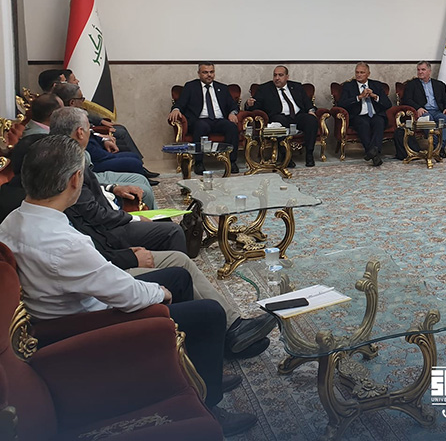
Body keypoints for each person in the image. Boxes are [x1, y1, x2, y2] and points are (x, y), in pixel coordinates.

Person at [0, 135, 259, 436]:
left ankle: (198, 370)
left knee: (179, 276)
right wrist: (159, 293)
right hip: (91, 323)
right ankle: (210, 404)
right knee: (209, 312)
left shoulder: (13, 222)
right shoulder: (64, 243)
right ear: (74, 180)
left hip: (68, 305)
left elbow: (101, 277)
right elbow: (127, 294)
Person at [50, 107, 185, 252]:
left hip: (110, 216)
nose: (91, 132)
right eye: (89, 129)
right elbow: (92, 212)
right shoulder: (69, 163)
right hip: (108, 231)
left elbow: (88, 188)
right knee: (173, 231)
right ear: (80, 132)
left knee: (163, 220)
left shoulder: (64, 153)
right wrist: (134, 218)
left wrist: (113, 188)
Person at [21, 96, 157, 209]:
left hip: (88, 171)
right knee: (143, 189)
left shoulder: (53, 132)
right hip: (87, 176)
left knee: (140, 179)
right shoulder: (40, 140)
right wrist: (112, 188)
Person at [53, 83, 157, 180]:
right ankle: (142, 177)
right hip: (92, 162)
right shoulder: (69, 119)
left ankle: (142, 174)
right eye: (81, 99)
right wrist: (108, 155)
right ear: (72, 102)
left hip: (98, 151)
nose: (83, 101)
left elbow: (90, 132)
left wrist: (104, 140)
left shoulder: (76, 114)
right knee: (132, 162)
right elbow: (85, 146)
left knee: (132, 157)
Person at [41, 68, 147, 160]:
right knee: (124, 144)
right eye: (64, 81)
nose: (77, 81)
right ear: (55, 85)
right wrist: (101, 135)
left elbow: (85, 115)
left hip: (89, 135)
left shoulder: (63, 97)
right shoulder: (53, 105)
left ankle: (140, 167)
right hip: (84, 145)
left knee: (124, 144)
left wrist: (100, 125)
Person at [168, 62, 241, 174]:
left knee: (231, 127)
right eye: (205, 72)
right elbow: (181, 103)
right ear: (199, 74)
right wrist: (176, 109)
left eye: (211, 72)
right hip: (200, 120)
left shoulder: (222, 88)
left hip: (219, 120)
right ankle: (199, 163)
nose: (209, 75)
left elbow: (233, 106)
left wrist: (232, 113)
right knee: (201, 126)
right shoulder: (191, 87)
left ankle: (231, 162)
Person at [247, 66, 318, 167]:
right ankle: (286, 156)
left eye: (280, 75)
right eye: (275, 75)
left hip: (297, 116)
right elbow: (255, 107)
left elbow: (307, 103)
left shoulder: (296, 86)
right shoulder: (264, 89)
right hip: (279, 117)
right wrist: (249, 104)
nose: (277, 78)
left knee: (311, 120)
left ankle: (309, 154)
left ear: (287, 77)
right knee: (280, 121)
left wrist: (311, 111)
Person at [336, 63, 392, 167]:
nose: (359, 75)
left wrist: (375, 97)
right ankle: (374, 153)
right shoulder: (348, 86)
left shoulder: (376, 85)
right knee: (363, 124)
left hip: (375, 115)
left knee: (379, 122)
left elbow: (388, 104)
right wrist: (359, 97)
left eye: (362, 72)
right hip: (358, 116)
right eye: (357, 72)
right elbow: (341, 104)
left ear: (368, 74)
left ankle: (372, 153)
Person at [396, 61, 446, 159]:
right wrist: (418, 108)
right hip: (424, 112)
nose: (420, 72)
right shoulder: (412, 84)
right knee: (427, 119)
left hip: (438, 111)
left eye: (423, 69)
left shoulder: (439, 84)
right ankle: (437, 147)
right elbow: (407, 99)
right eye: (418, 70)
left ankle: (440, 147)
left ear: (429, 71)